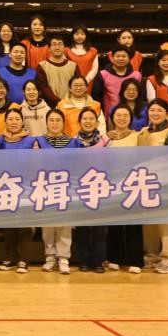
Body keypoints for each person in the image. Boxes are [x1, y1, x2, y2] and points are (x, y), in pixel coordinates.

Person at [138, 99, 168, 274]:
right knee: (149, 224)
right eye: (152, 110)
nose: (155, 113)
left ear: (166, 113)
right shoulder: (143, 133)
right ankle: (151, 256)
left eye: (159, 110)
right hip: (147, 184)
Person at [0, 107, 38, 273]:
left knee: (24, 226)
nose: (14, 122)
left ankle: (23, 259)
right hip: (5, 187)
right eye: (10, 119)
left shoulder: (31, 141)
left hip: (26, 187)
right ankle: (10, 257)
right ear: (5, 121)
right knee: (9, 225)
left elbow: (36, 163)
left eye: (17, 119)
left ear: (22, 122)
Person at [103, 106, 145, 274]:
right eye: (118, 115)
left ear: (130, 118)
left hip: (133, 184)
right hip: (113, 185)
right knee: (115, 224)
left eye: (125, 115)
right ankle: (115, 258)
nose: (121, 118)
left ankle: (135, 260)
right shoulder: (106, 138)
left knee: (134, 224)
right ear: (112, 118)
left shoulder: (138, 136)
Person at [70, 108, 110, 273]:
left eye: (91, 118)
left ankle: (98, 261)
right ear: (79, 122)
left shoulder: (106, 141)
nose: (88, 121)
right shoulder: (73, 142)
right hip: (80, 189)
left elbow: (113, 162)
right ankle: (84, 261)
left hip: (100, 189)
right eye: (84, 119)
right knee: (82, 229)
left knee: (99, 229)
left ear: (97, 122)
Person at [37, 108, 77, 274]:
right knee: (47, 224)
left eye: (58, 120)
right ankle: (50, 256)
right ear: (46, 123)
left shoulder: (73, 142)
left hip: (65, 188)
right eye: (51, 120)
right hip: (45, 187)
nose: (54, 123)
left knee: (64, 224)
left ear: (63, 123)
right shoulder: (38, 141)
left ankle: (63, 257)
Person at [93, 47, 141, 117]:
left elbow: (140, 97)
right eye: (118, 56)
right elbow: (97, 98)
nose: (121, 59)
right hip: (109, 116)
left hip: (132, 115)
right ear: (112, 58)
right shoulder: (103, 74)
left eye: (124, 56)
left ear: (129, 58)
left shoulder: (137, 75)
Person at [35, 35, 77, 107]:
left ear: (64, 47)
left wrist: (67, 102)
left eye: (60, 44)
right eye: (54, 44)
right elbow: (43, 87)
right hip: (48, 106)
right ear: (49, 48)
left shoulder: (73, 66)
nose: (57, 47)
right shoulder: (42, 66)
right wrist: (59, 102)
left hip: (70, 105)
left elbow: (77, 85)